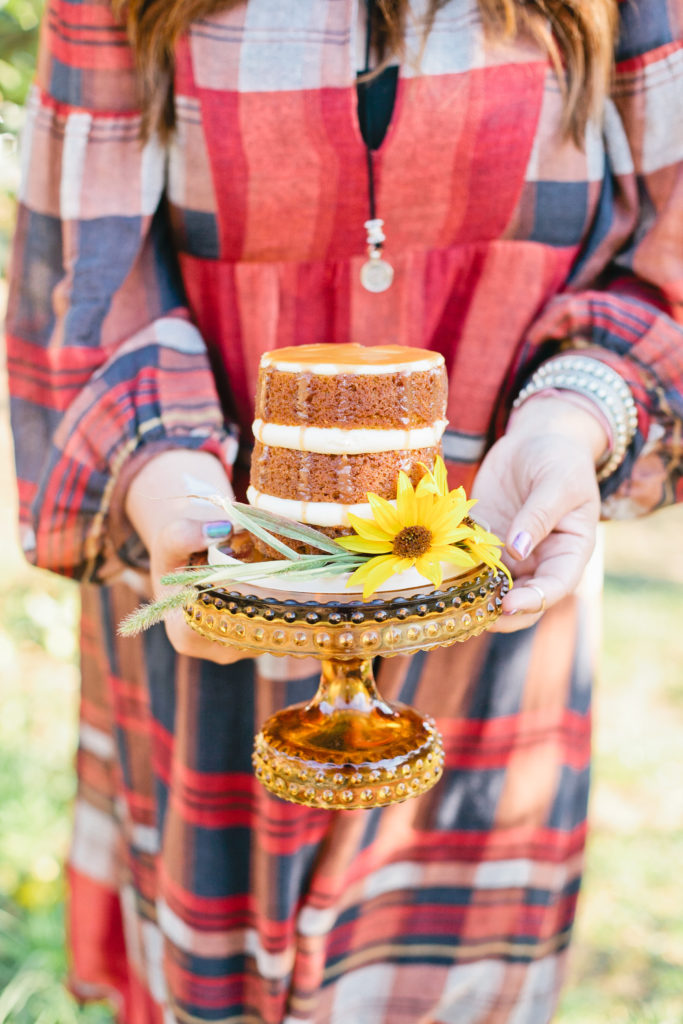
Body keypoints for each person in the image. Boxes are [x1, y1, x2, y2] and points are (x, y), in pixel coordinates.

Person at [6, 0, 683, 1021]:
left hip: (487, 615)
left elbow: (666, 265)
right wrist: (175, 503)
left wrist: (567, 422)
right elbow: (84, 285)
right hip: (202, 606)